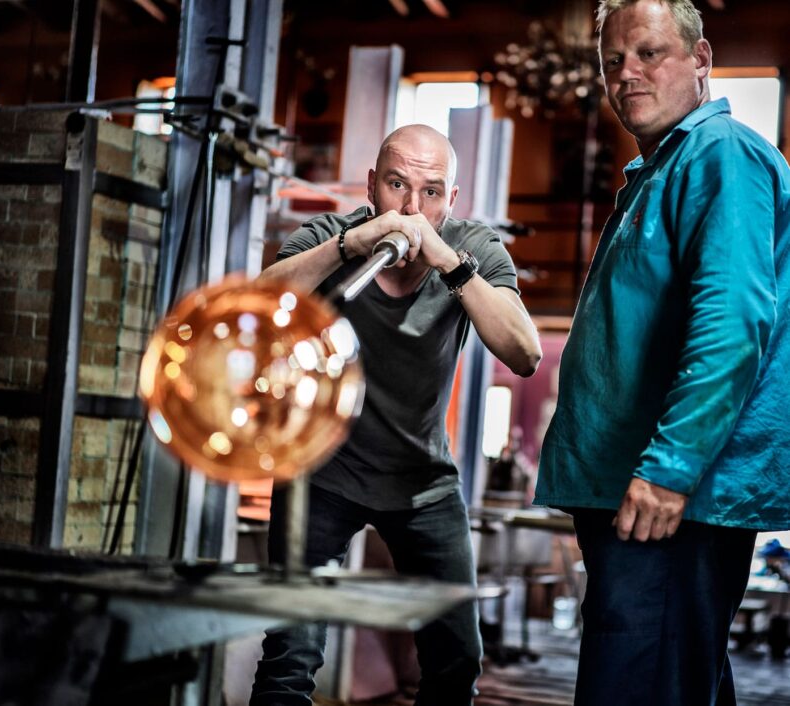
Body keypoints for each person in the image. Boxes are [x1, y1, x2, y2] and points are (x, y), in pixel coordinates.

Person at [534, 1, 790, 704]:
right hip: (641, 495)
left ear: (701, 60)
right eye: (613, 61)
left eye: (648, 53)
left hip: (672, 502)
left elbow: (732, 327)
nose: (627, 74)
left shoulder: (722, 155)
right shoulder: (659, 170)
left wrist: (671, 471)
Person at [250, 123, 542, 705]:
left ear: (452, 200)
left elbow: (526, 353)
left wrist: (452, 266)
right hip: (321, 476)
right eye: (397, 185)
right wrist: (349, 247)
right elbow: (257, 306)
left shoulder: (473, 247)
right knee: (290, 657)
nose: (412, 208)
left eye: (432, 191)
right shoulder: (330, 237)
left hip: (422, 484)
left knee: (455, 662)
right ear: (371, 188)